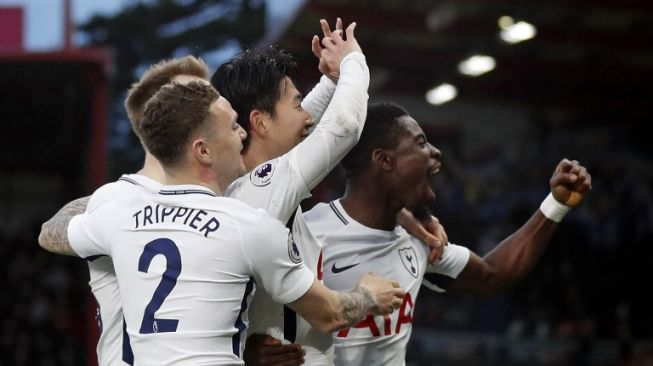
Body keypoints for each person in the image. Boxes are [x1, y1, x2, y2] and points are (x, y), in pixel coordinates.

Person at [41, 81, 406, 365]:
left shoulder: (121, 214)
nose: (243, 134)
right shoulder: (248, 226)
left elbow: (50, 233)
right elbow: (330, 314)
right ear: (203, 151)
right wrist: (369, 295)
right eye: (233, 127)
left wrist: (104, 197)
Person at [211, 20, 447, 366]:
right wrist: (354, 61)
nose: (307, 118)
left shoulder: (240, 185)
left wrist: (332, 81)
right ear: (260, 123)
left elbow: (302, 122)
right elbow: (345, 126)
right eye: (296, 105)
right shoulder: (270, 185)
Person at [302, 101, 593, 365]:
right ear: (384, 160)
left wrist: (555, 205)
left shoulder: (419, 241)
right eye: (420, 143)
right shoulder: (309, 233)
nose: (436, 152)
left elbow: (492, 275)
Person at [38, 55, 213, 366]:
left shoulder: (221, 205)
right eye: (192, 97)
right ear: (158, 118)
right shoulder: (118, 200)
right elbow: (49, 231)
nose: (210, 105)